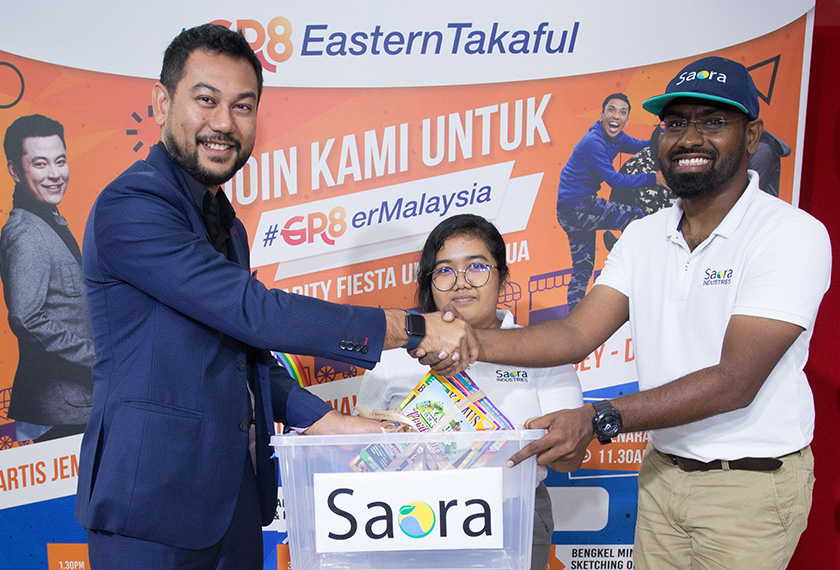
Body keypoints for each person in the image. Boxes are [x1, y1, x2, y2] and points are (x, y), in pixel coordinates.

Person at [74, 24, 474, 570]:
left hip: (235, 503)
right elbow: (255, 313)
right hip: (150, 506)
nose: (223, 123)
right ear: (162, 101)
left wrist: (324, 420)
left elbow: (238, 355)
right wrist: (416, 327)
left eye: (243, 106)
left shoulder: (226, 224)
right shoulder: (132, 205)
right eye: (206, 100)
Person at [421, 56, 831, 570]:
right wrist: (461, 338)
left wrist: (601, 417)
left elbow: (735, 381)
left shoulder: (790, 235)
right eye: (676, 123)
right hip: (662, 475)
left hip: (747, 486)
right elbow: (574, 334)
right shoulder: (645, 235)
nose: (689, 138)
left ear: (752, 136)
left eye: (712, 122)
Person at [356, 214, 582, 570]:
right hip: (409, 516)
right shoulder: (393, 359)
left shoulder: (543, 352)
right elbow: (360, 447)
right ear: (429, 283)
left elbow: (570, 457)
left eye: (477, 267)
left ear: (503, 276)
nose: (461, 283)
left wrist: (556, 442)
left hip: (512, 512)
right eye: (445, 271)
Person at [0, 114, 94, 443]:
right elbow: (27, 317)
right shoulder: (26, 233)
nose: (55, 174)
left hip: (71, 404)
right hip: (57, 411)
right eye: (40, 164)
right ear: (15, 171)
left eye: (60, 161)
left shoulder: (49, 221)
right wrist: (97, 358)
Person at [556, 93, 667, 311]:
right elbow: (615, 180)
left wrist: (665, 134)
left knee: (583, 269)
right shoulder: (593, 142)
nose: (616, 116)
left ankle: (572, 319)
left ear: (626, 120)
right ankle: (627, 252)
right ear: (602, 114)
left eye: (622, 112)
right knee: (638, 216)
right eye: (611, 110)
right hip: (578, 208)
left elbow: (644, 146)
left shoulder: (617, 138)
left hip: (570, 212)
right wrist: (655, 178)